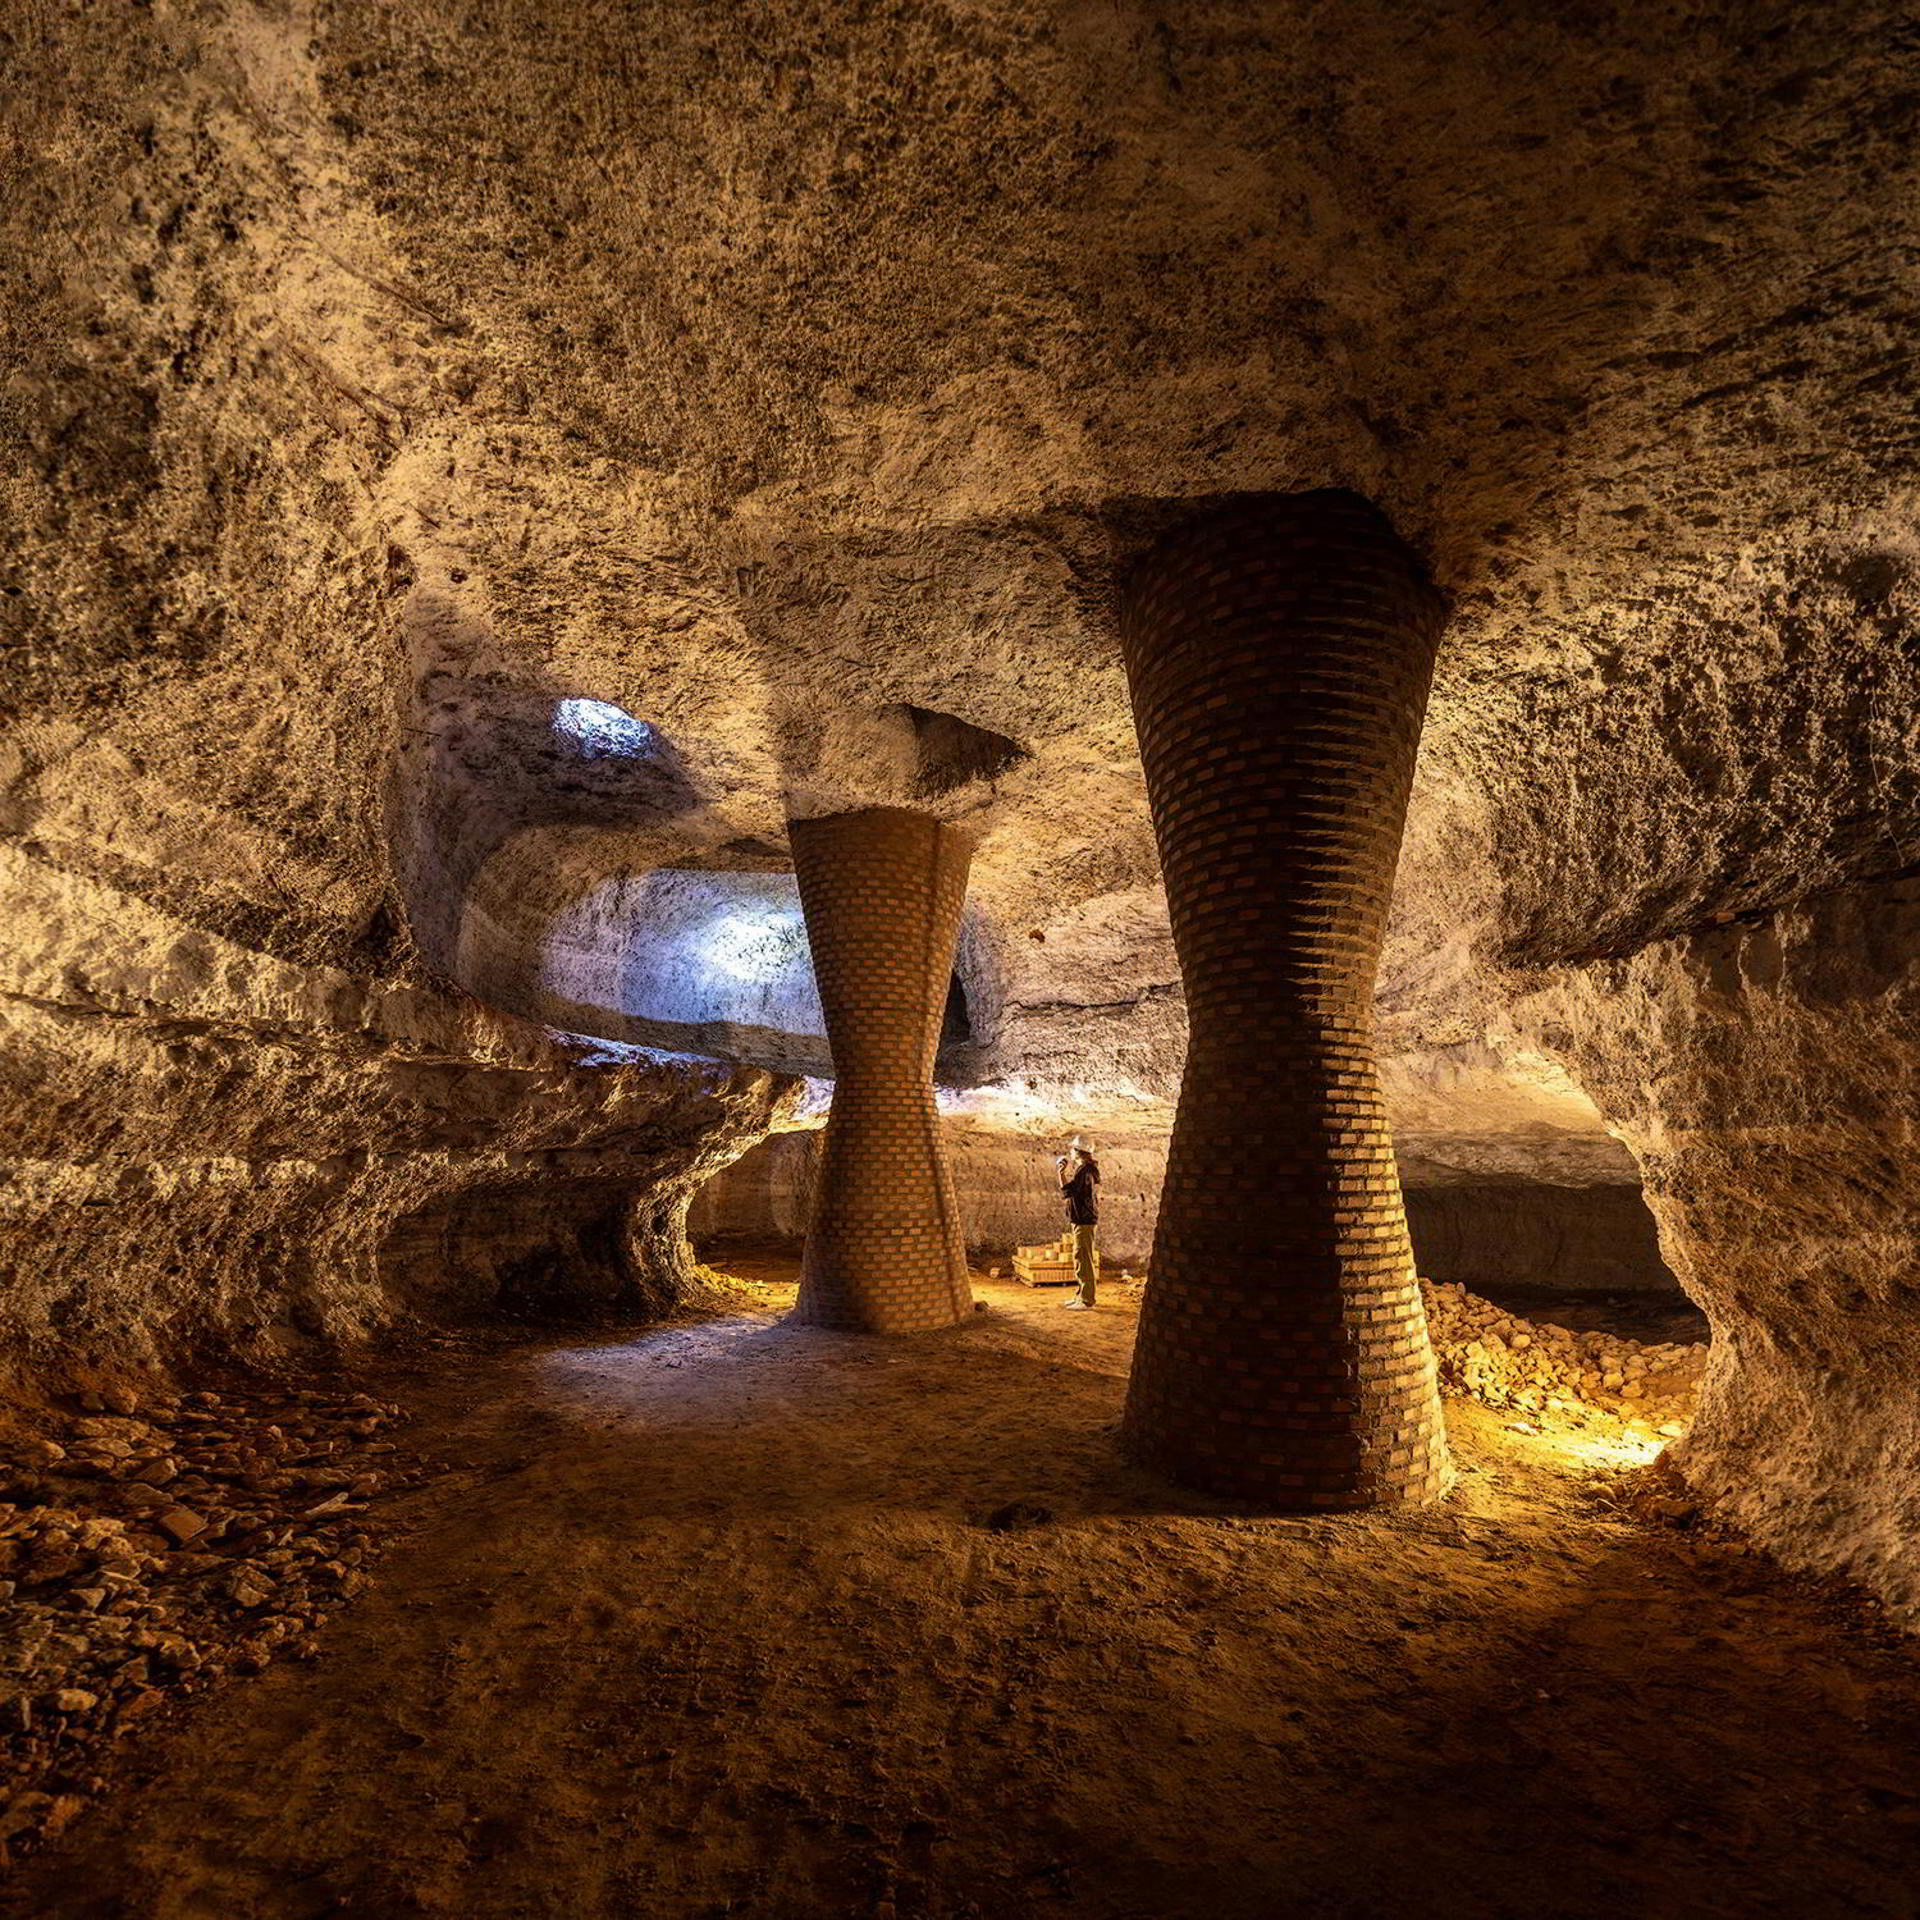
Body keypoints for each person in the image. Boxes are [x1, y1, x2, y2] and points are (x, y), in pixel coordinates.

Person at [1055, 1136, 1101, 1309]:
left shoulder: (1085, 1171)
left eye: (1073, 1149)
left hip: (1084, 1221)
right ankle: (1081, 1295)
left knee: (1084, 1259)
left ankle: (1087, 1299)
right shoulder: (1087, 1170)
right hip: (1083, 1220)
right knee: (1080, 1257)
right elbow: (1072, 1192)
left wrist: (1061, 1173)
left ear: (1078, 1151)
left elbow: (1068, 1192)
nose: (1071, 1152)